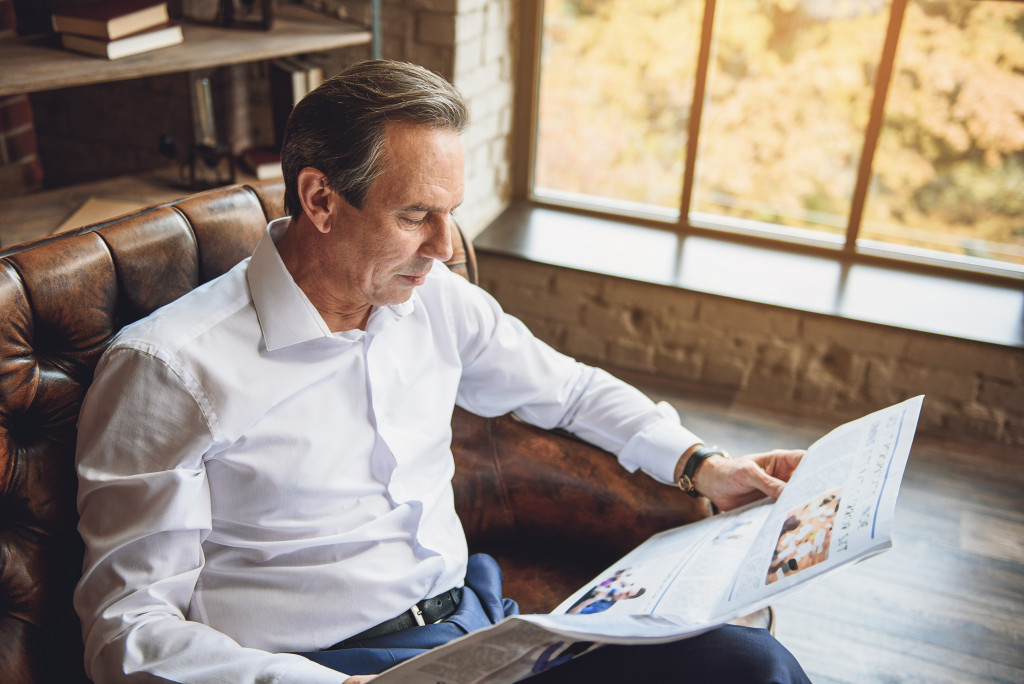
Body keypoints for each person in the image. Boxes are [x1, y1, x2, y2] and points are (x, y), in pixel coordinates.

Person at [73, 59, 810, 683]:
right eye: (416, 214)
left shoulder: (437, 303)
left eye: (451, 212)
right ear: (320, 199)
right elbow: (126, 629)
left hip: (484, 634)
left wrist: (701, 465)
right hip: (333, 667)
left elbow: (570, 389)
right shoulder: (167, 371)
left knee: (752, 664)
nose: (448, 246)